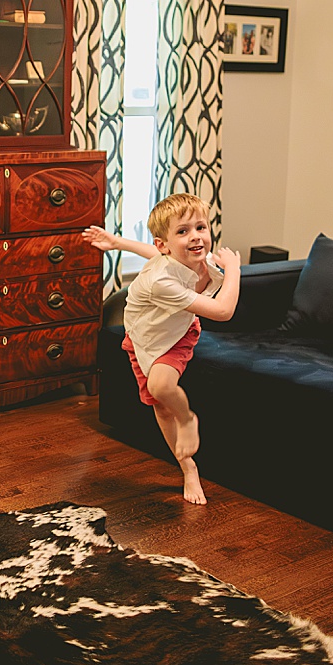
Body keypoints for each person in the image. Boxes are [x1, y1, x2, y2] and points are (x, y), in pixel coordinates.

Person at [82, 194, 241, 505]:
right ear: (165, 244)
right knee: (160, 404)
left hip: (179, 332)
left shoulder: (198, 261)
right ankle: (187, 466)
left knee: (160, 385)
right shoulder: (160, 281)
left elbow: (150, 251)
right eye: (183, 231)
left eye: (201, 227)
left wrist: (117, 242)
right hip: (144, 338)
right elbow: (222, 311)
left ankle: (187, 420)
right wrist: (235, 269)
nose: (196, 236)